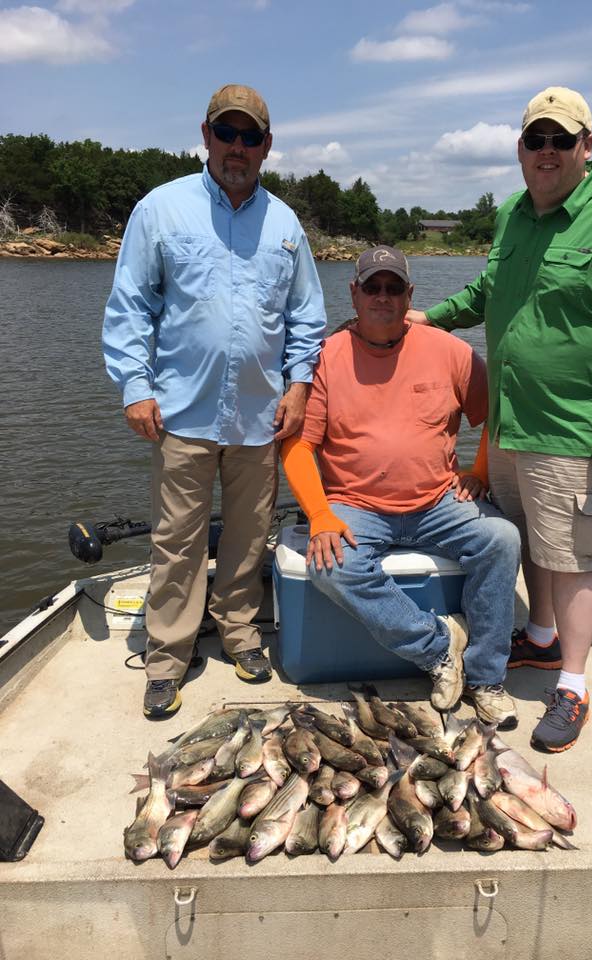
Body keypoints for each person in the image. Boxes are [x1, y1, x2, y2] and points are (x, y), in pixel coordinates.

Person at [407, 87, 592, 751]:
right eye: (537, 140)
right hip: (509, 425)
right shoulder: (512, 215)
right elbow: (487, 291)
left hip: (577, 431)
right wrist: (431, 318)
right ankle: (542, 638)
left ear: (588, 146)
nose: (548, 152)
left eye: (563, 140)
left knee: (578, 559)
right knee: (530, 541)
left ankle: (574, 686)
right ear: (521, 150)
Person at [103, 84, 326, 718]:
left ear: (266, 146)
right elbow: (130, 307)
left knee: (250, 534)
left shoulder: (284, 224)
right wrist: (135, 386)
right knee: (176, 538)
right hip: (181, 411)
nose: (237, 147)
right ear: (205, 136)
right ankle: (168, 655)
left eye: (250, 136)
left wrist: (301, 386)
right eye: (226, 133)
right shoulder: (160, 208)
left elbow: (307, 316)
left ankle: (240, 632)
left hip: (261, 414)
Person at [281, 246, 521, 725]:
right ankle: (437, 649)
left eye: (394, 288)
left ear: (410, 295)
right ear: (354, 294)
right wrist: (321, 515)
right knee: (332, 566)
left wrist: (480, 473)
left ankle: (487, 678)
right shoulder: (326, 357)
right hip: (355, 503)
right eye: (372, 287)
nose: (383, 297)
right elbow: (297, 446)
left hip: (438, 500)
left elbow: (498, 415)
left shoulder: (449, 350)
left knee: (502, 539)